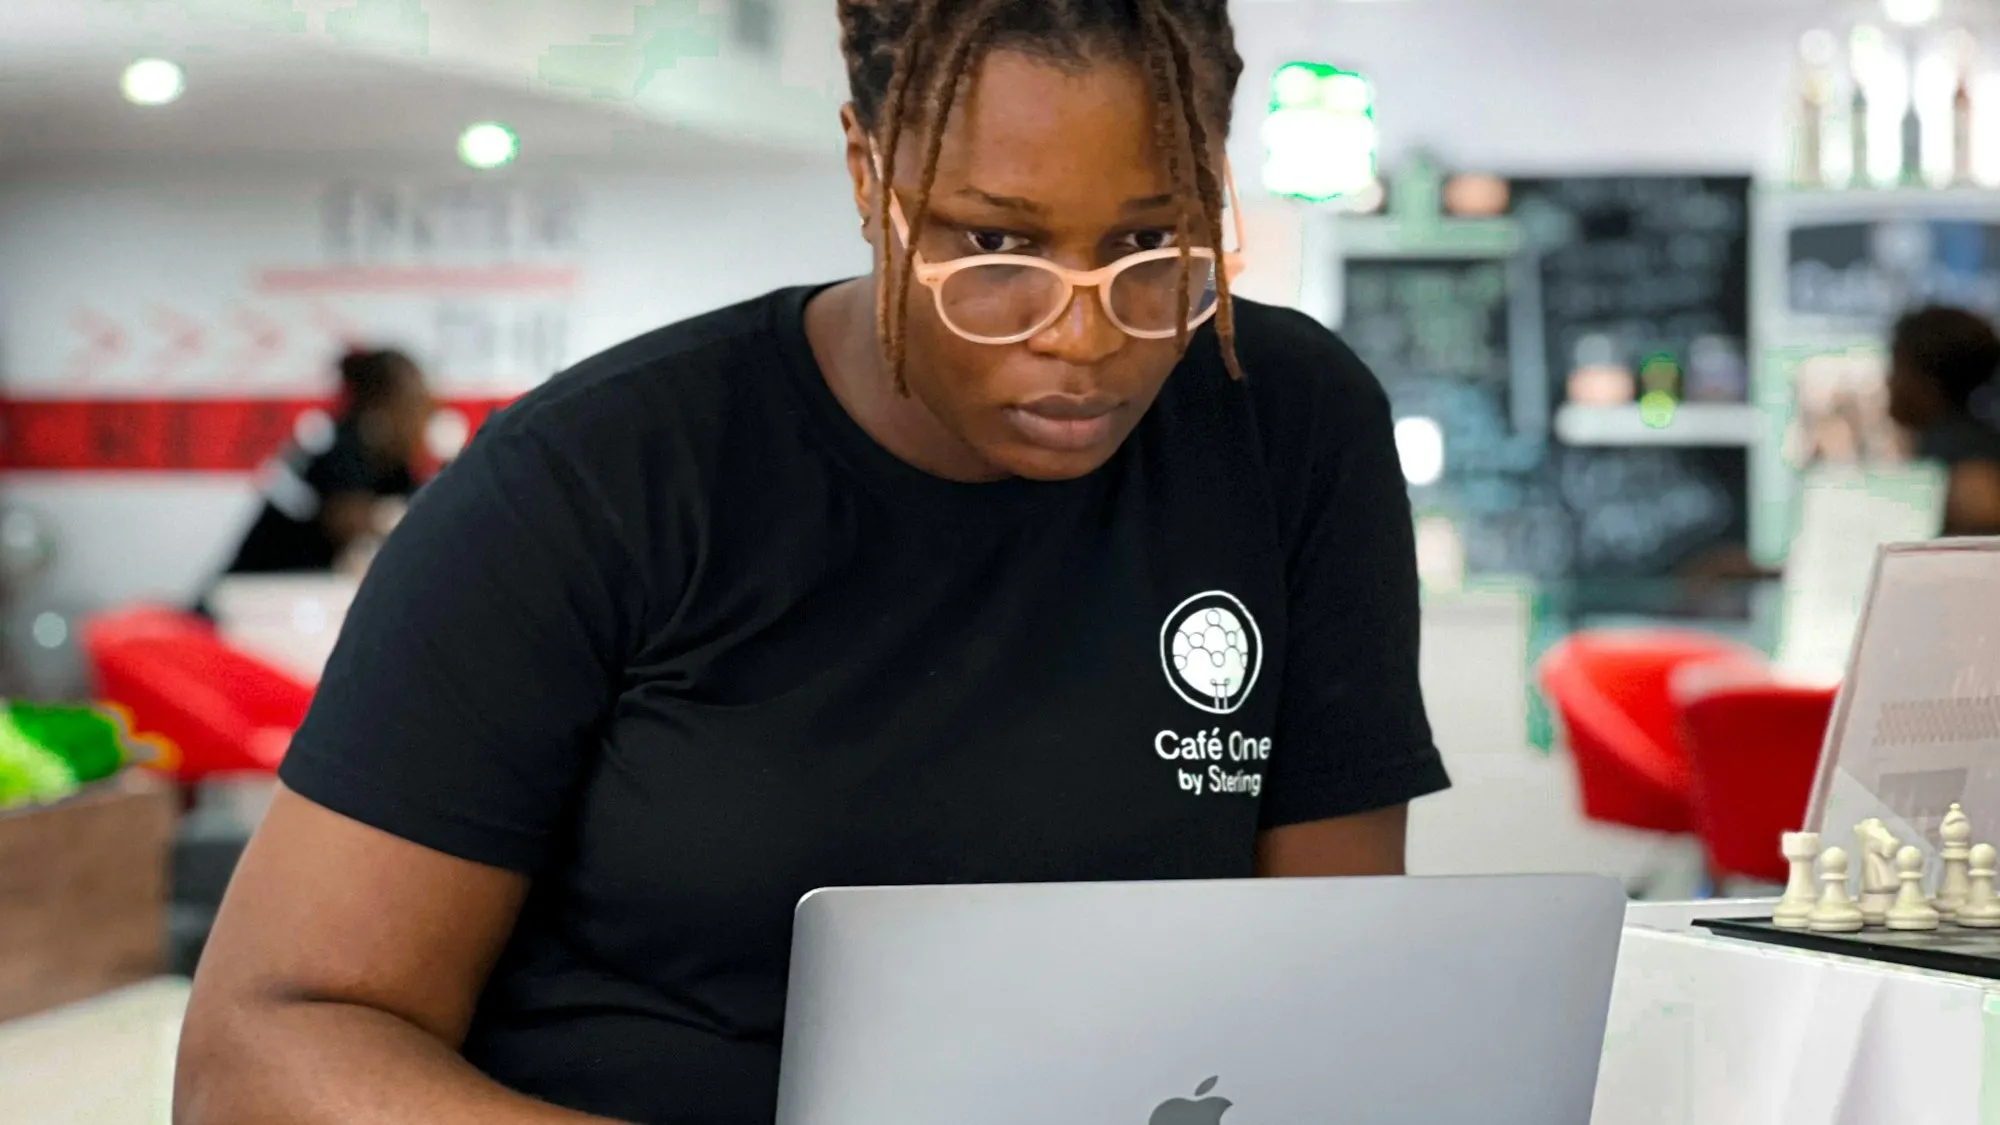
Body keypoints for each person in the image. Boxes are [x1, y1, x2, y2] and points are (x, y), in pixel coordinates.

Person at [173, 1, 1449, 1122]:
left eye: (1146, 246)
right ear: (864, 171)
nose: (1080, 337)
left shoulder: (1283, 425)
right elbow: (257, 1056)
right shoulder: (595, 480)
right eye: (991, 246)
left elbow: (1319, 989)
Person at [217, 348, 433, 576]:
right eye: (413, 406)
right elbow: (345, 521)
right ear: (381, 407)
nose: (420, 419)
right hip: (262, 581)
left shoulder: (396, 462)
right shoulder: (339, 445)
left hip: (301, 583)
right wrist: (392, 520)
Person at [1886, 305, 2000, 536]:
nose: (1889, 381)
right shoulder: (1947, 445)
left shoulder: (1970, 471)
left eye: (1897, 367)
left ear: (1928, 381)